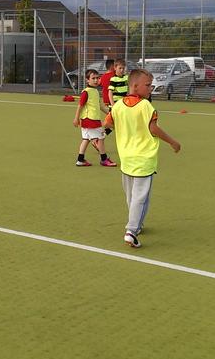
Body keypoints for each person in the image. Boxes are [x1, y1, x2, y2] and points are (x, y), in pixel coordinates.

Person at [104, 69, 182, 248]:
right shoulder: (146, 106)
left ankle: (136, 225)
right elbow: (153, 128)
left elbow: (107, 123)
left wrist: (123, 130)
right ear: (134, 85)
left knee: (132, 195)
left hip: (126, 158)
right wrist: (173, 142)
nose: (150, 89)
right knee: (141, 196)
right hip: (143, 158)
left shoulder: (117, 106)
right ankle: (131, 230)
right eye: (148, 85)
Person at [73, 70, 117, 167]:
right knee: (100, 138)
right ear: (87, 80)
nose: (96, 80)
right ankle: (104, 159)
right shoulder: (86, 92)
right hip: (90, 120)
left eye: (97, 78)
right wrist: (76, 118)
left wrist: (110, 113)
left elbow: (100, 106)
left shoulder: (95, 91)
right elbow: (80, 105)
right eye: (93, 78)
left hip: (88, 120)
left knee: (86, 139)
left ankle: (80, 160)